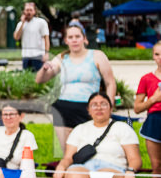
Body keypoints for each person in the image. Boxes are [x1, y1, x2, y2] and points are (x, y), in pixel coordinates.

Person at [36, 22, 116, 154]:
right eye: (71, 37)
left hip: (89, 107)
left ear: (84, 39)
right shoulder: (61, 58)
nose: (74, 40)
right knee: (67, 151)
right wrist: (44, 69)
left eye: (77, 36)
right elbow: (40, 80)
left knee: (89, 148)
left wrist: (109, 105)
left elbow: (110, 83)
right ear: (66, 40)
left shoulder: (97, 55)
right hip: (63, 107)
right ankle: (68, 172)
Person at [133, 43, 161, 178]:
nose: (160, 58)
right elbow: (137, 108)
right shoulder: (146, 79)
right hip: (154, 120)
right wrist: (154, 99)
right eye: (157, 54)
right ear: (153, 56)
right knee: (156, 165)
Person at [13, 1, 49, 73]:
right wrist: (23, 22)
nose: (28, 12)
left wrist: (46, 53)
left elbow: (46, 39)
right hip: (26, 56)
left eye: (31, 10)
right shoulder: (20, 24)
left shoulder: (41, 22)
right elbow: (16, 37)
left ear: (34, 11)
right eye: (27, 10)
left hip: (38, 55)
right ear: (24, 11)